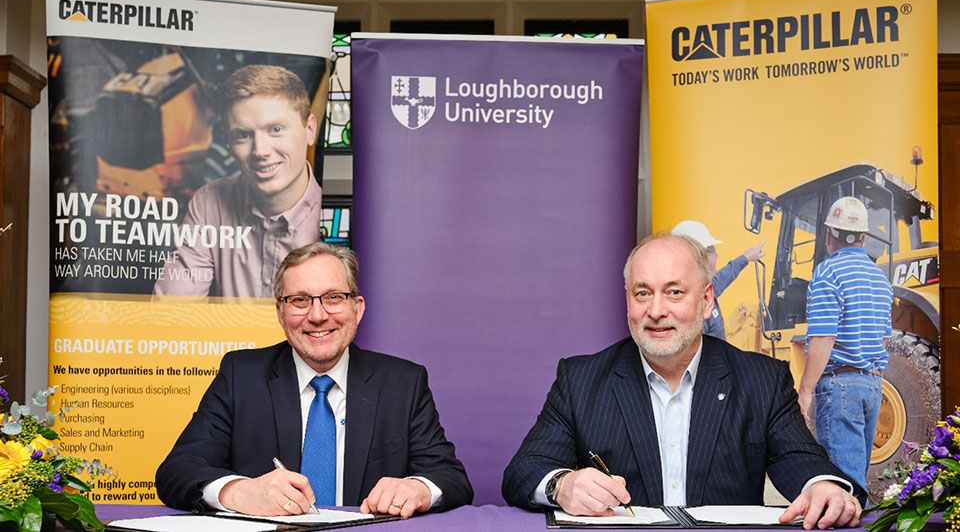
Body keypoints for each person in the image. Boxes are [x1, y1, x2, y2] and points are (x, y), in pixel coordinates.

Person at [502, 233, 864, 530]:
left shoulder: (762, 380)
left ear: (706, 300)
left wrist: (823, 487)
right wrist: (560, 484)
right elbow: (524, 470)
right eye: (642, 293)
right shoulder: (580, 379)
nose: (656, 311)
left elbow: (799, 459)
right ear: (628, 300)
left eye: (674, 292)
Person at [156, 242, 473, 517]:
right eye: (300, 300)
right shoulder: (241, 375)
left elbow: (451, 478)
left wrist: (417, 488)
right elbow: (177, 471)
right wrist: (239, 492)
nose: (318, 315)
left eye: (334, 297)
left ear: (357, 308)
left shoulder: (403, 383)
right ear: (280, 313)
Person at [153, 64, 323, 298]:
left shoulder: (336, 217)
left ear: (310, 129)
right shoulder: (209, 203)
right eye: (243, 135)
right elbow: (172, 316)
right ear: (228, 141)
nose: (260, 151)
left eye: (275, 129)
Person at [797, 196, 893, 492]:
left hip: (840, 386)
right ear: (864, 237)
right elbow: (884, 338)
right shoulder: (880, 279)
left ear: (828, 236)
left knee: (841, 486)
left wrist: (805, 390)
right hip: (873, 385)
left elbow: (824, 336)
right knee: (856, 479)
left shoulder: (828, 273)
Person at [671, 220, 765, 340]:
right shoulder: (695, 308)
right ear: (697, 257)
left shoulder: (705, 290)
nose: (716, 255)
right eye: (710, 250)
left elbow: (726, 275)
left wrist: (746, 257)